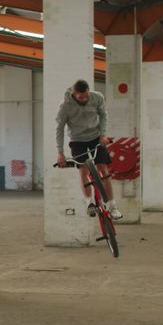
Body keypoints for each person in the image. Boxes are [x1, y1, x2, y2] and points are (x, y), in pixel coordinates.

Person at [55, 79, 123, 220]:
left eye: (86, 95)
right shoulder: (65, 106)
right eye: (81, 97)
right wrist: (60, 152)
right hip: (77, 140)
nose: (85, 99)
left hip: (95, 138)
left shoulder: (97, 97)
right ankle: (89, 202)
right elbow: (59, 128)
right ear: (74, 94)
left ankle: (112, 206)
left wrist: (103, 134)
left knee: (103, 170)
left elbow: (104, 115)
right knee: (83, 170)